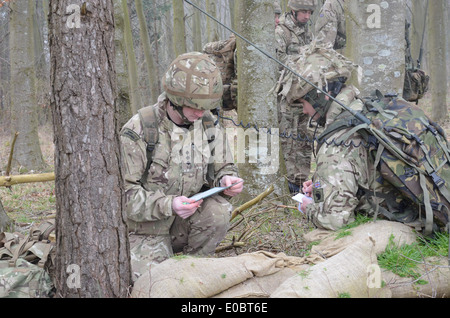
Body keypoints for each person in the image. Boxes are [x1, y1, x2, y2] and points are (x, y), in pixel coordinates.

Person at [280, 47, 442, 232]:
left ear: (320, 96)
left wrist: (308, 208)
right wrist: (319, 182)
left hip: (415, 222)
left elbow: (336, 221)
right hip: (427, 207)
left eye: (303, 103)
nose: (304, 111)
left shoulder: (338, 142)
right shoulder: (364, 109)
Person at [120, 52, 244, 281]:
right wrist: (169, 204)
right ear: (175, 101)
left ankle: (197, 268)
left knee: (217, 212)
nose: (201, 112)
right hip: (146, 229)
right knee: (155, 284)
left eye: (205, 107)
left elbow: (224, 166)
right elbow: (122, 197)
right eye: (194, 107)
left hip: (185, 222)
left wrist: (227, 180)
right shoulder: (140, 129)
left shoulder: (207, 123)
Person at [275, 0, 316, 194]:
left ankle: (303, 181)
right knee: (288, 141)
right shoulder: (281, 32)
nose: (307, 16)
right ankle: (290, 183)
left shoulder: (308, 31)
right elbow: (277, 64)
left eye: (309, 12)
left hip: (305, 95)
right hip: (288, 96)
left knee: (304, 140)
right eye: (303, 12)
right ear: (293, 10)